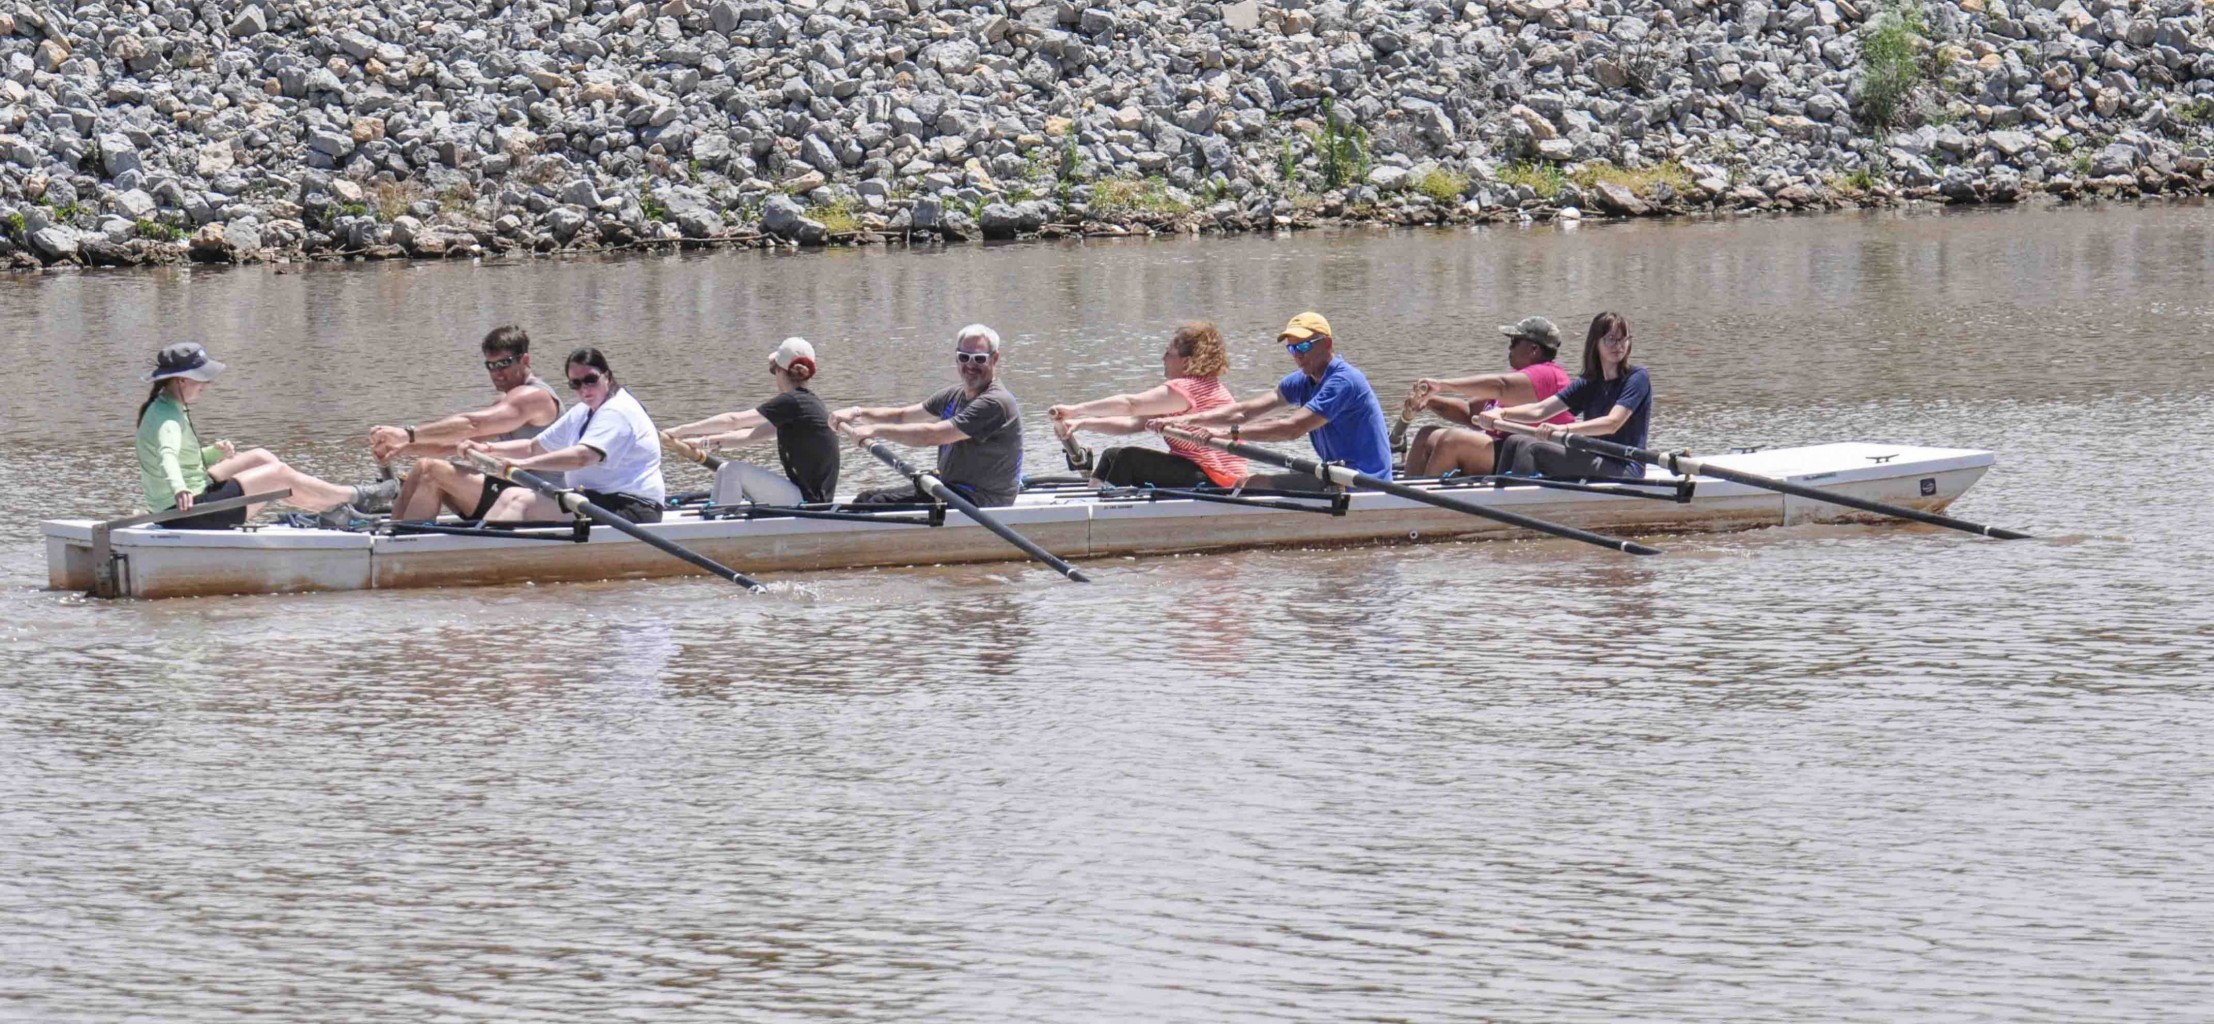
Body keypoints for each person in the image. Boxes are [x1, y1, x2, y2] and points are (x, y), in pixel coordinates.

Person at [133, 343, 393, 529]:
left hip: (189, 495)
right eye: (202, 379)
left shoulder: (165, 405)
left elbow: (176, 457)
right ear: (181, 380)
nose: (207, 385)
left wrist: (212, 453)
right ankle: (355, 496)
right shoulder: (168, 419)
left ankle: (333, 510)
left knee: (260, 457)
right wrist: (179, 489)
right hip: (185, 513)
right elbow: (166, 456)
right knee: (277, 475)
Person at [1149, 312, 1391, 490]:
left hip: (1364, 481)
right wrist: (1186, 419)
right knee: (1267, 478)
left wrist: (1227, 434)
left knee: (1252, 484)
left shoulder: (1344, 381)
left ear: (1327, 344)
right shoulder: (1302, 380)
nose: (1298, 355)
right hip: (1337, 474)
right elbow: (1244, 411)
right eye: (1292, 348)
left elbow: (1292, 428)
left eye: (1304, 346)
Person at [368, 325, 564, 522]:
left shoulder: (536, 397)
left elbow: (473, 424)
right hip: (515, 495)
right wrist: (402, 448)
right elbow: (454, 444)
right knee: (422, 467)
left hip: (544, 500)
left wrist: (407, 434)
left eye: (504, 363)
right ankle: (395, 535)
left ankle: (406, 545)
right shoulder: (504, 405)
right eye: (491, 366)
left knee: (431, 470)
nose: (497, 373)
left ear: (525, 360)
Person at [457, 347, 667, 523]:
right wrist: (488, 449)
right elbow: (533, 446)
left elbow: (582, 457)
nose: (584, 389)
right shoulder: (583, 411)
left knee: (520, 503)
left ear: (607, 376)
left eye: (590, 380)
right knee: (511, 496)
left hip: (632, 509)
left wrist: (522, 465)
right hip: (595, 500)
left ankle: (487, 558)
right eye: (575, 384)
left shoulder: (617, 411)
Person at [833, 324, 1024, 507]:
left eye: (979, 359)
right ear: (956, 358)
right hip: (952, 489)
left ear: (995, 358)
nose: (970, 365)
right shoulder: (953, 395)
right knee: (866, 498)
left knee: (873, 505)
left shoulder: (995, 402)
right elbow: (902, 415)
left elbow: (933, 435)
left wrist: (875, 430)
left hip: (981, 499)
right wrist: (857, 413)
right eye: (964, 357)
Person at [1047, 321, 1248, 489]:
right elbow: (1133, 423)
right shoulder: (1196, 389)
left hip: (1219, 480)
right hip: (1199, 471)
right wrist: (1082, 423)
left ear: (1186, 363)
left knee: (1128, 460)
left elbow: (1130, 405)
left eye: (1168, 353)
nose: (1163, 358)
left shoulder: (1189, 388)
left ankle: (1108, 516)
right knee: (1111, 456)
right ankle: (1092, 503)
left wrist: (1075, 410)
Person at [663, 337, 840, 505]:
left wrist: (679, 431)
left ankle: (725, 528)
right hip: (805, 495)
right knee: (724, 469)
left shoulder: (792, 402)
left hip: (812, 501)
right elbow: (749, 436)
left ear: (779, 370)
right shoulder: (804, 405)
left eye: (773, 370)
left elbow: (734, 421)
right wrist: (701, 442)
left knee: (734, 470)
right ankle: (715, 517)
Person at [1478, 311, 1653, 480]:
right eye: (1611, 339)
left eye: (1624, 339)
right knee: (1514, 441)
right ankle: (1496, 488)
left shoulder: (1637, 378)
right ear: (1595, 343)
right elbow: (1540, 410)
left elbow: (1612, 423)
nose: (1619, 346)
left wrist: (1562, 429)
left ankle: (1515, 499)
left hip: (1626, 467)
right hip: (1597, 459)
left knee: (1531, 447)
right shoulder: (1589, 383)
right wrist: (1501, 413)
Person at [1399, 315, 1578, 478]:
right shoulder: (1519, 380)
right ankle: (1404, 500)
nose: (1509, 347)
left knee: (1453, 441)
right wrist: (1429, 401)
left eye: (1515, 341)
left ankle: (1426, 507)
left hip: (1531, 454)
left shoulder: (1548, 374)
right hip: (1506, 448)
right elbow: (1470, 412)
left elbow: (1501, 385)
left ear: (1533, 349)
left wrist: (1441, 385)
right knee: (1426, 434)